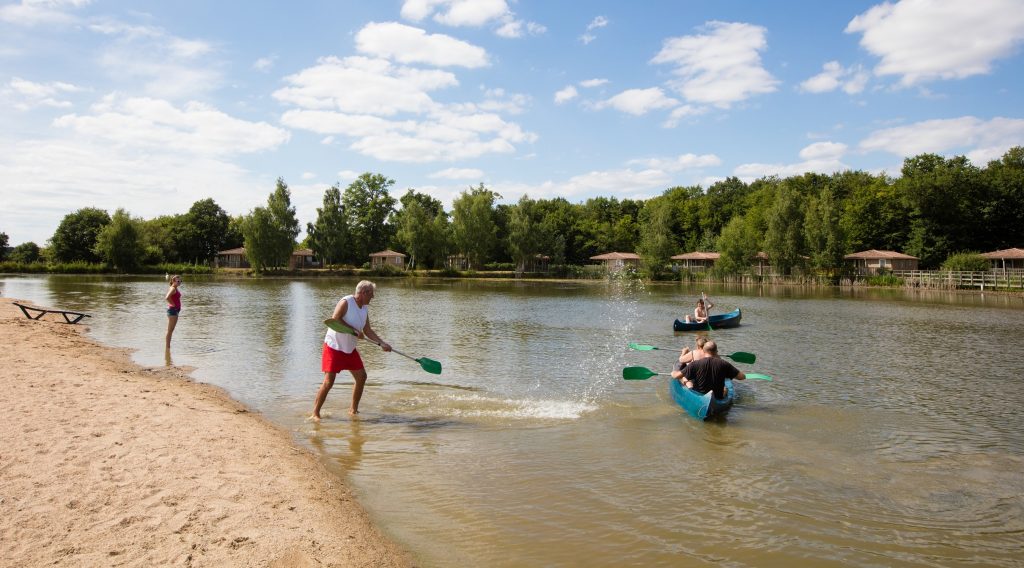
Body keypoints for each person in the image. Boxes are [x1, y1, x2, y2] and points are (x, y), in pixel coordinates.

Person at [312, 280, 391, 419]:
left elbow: (367, 330)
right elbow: (335, 319)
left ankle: (353, 410)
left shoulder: (364, 309)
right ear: (363, 293)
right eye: (371, 294)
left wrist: (382, 343)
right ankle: (315, 413)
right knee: (329, 381)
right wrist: (354, 331)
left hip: (349, 349)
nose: (373, 297)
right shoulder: (346, 302)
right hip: (334, 346)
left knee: (362, 377)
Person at [679, 340, 745, 399]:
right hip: (717, 394)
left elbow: (680, 361)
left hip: (700, 391)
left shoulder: (694, 359)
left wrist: (683, 352)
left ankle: (691, 391)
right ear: (716, 351)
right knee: (725, 389)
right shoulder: (722, 362)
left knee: (685, 379)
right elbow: (742, 377)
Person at [165, 275, 182, 348]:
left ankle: (168, 347)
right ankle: (167, 348)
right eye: (178, 281)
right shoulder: (173, 289)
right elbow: (167, 297)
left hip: (174, 311)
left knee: (170, 330)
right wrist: (173, 305)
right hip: (173, 311)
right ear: (173, 281)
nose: (179, 282)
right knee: (170, 330)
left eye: (180, 281)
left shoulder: (174, 288)